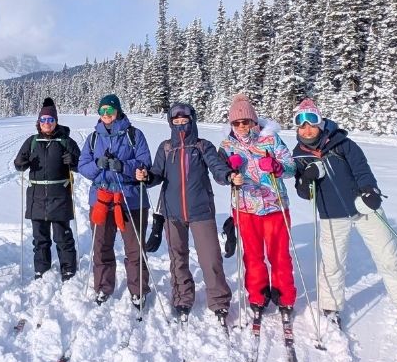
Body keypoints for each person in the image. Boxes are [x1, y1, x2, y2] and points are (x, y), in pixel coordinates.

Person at [290, 98, 397, 332]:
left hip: (363, 208)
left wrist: (370, 190)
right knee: (332, 263)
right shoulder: (299, 155)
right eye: (301, 125)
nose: (307, 129)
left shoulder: (343, 144)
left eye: (311, 122)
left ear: (320, 123)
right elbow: (304, 193)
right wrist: (307, 178)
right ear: (297, 128)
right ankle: (330, 306)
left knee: (388, 257)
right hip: (331, 215)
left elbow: (362, 170)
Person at [143, 102, 234, 324]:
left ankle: (219, 301)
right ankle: (182, 297)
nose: (181, 124)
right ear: (171, 123)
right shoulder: (166, 148)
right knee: (178, 258)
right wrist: (147, 177)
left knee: (210, 258)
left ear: (192, 120)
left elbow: (217, 167)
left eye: (185, 120)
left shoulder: (203, 146)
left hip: (201, 210)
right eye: (177, 121)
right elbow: (156, 173)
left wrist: (228, 176)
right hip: (172, 213)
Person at [218, 94, 298, 323]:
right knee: (252, 256)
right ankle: (258, 295)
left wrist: (276, 167)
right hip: (245, 208)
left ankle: (284, 296)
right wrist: (230, 173)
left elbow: (291, 168)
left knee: (279, 255)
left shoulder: (271, 140)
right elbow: (220, 175)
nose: (242, 127)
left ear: (254, 121)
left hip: (275, 206)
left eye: (246, 122)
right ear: (231, 124)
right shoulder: (227, 145)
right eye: (236, 123)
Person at [77, 94, 153, 305]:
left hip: (130, 197)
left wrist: (124, 167)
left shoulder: (134, 135)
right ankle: (103, 286)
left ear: (117, 111)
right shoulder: (93, 138)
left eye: (110, 111)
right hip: (101, 197)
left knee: (135, 247)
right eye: (102, 111)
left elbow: (145, 162)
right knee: (101, 246)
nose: (106, 115)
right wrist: (99, 164)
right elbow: (83, 166)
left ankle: (138, 289)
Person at [13, 98, 82, 281]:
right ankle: (41, 268)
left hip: (59, 196)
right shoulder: (32, 141)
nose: (47, 124)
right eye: (43, 120)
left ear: (56, 121)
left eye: (50, 120)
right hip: (36, 198)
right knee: (40, 238)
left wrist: (72, 161)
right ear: (38, 122)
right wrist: (22, 163)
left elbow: (82, 164)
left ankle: (68, 268)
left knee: (63, 236)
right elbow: (18, 164)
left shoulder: (66, 141)